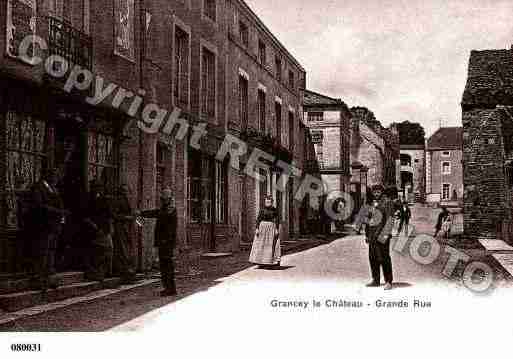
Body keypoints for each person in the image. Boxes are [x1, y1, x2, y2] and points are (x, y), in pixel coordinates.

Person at [27, 167, 68, 291]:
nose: (56, 178)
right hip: (43, 226)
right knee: (42, 253)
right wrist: (59, 211)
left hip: (54, 226)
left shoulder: (53, 188)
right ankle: (39, 280)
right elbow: (39, 206)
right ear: (47, 175)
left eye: (57, 176)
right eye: (54, 176)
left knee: (51, 251)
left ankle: (49, 279)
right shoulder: (38, 187)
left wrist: (61, 217)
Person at [138, 188, 177, 297]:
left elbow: (158, 214)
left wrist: (142, 213)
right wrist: (142, 213)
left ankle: (170, 289)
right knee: (165, 266)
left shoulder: (170, 209)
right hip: (164, 242)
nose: (163, 200)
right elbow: (156, 212)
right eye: (162, 198)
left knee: (167, 266)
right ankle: (169, 288)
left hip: (166, 243)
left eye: (164, 198)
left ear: (169, 199)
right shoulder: (166, 208)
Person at [364, 184, 395, 290]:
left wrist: (385, 235)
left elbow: (390, 219)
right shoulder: (371, 204)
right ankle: (376, 280)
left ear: (382, 192)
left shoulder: (388, 202)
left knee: (384, 258)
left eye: (378, 192)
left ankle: (388, 281)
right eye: (374, 192)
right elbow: (367, 220)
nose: (376, 194)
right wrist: (367, 235)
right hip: (372, 235)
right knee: (373, 258)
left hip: (382, 235)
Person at [83, 180, 114, 282]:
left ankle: (102, 272)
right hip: (93, 230)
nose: (99, 189)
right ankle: (94, 273)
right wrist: (95, 227)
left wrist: (110, 228)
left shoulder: (103, 199)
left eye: (100, 187)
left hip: (104, 229)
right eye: (97, 187)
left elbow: (109, 215)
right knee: (96, 252)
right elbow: (85, 216)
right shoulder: (88, 199)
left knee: (107, 250)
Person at [112, 184, 137, 284]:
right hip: (121, 227)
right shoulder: (117, 200)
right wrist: (126, 218)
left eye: (127, 191)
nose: (126, 193)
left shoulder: (129, 200)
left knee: (129, 250)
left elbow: (133, 214)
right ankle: (125, 273)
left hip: (129, 228)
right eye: (124, 191)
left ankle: (129, 274)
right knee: (123, 250)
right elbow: (115, 215)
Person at [249, 195, 281, 268]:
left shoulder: (275, 210)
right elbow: (258, 220)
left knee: (270, 246)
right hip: (262, 228)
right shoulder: (262, 210)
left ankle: (270, 263)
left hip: (271, 229)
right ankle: (260, 263)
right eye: (266, 202)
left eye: (269, 202)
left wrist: (276, 229)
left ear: (272, 202)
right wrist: (257, 229)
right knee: (260, 245)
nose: (267, 203)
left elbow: (277, 220)